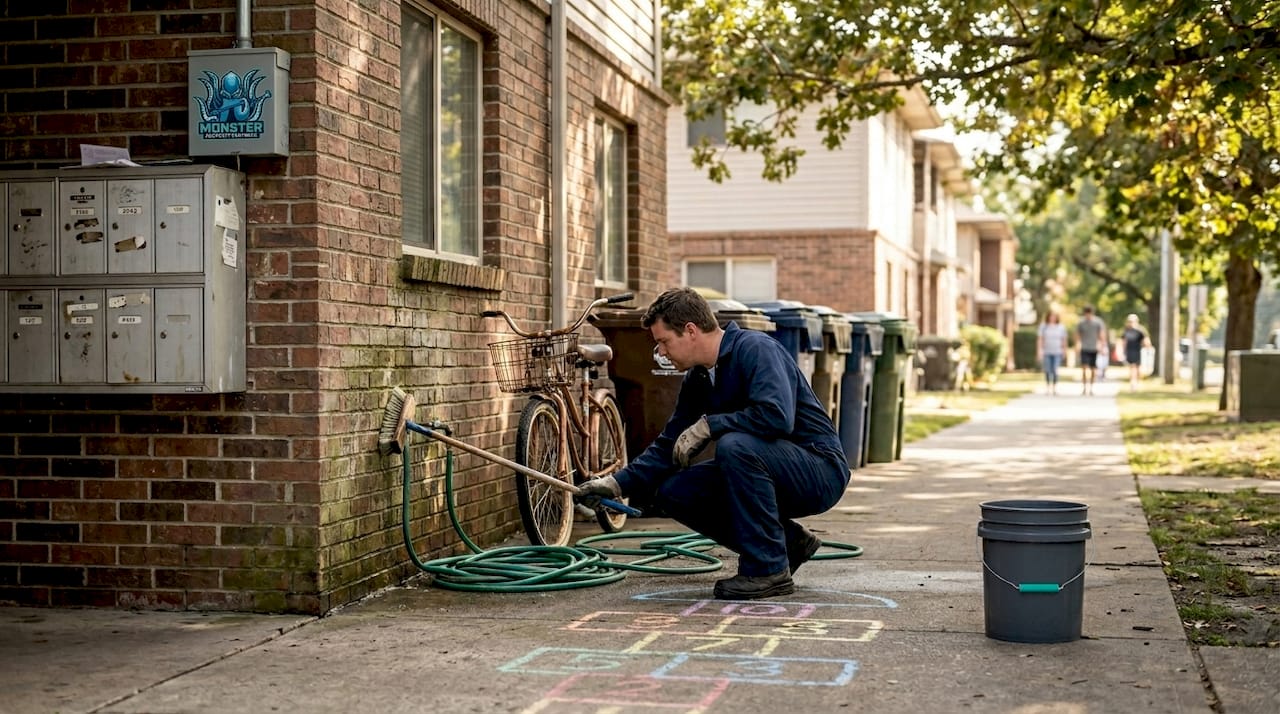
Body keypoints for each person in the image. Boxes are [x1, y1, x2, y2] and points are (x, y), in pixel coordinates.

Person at [578, 288, 850, 600]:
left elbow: (776, 417)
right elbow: (669, 444)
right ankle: (788, 545)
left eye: (664, 342)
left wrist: (712, 425)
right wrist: (615, 484)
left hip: (819, 470)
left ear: (690, 331)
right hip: (767, 471)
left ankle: (768, 570)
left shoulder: (756, 350)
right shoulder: (699, 377)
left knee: (735, 447)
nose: (661, 352)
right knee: (676, 492)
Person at [1075, 306, 1108, 395]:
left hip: (1094, 348)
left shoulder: (1098, 322)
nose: (1088, 316)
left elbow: (1101, 335)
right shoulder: (1081, 323)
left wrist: (1103, 346)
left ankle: (1091, 388)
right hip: (1084, 348)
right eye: (1086, 314)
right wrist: (1077, 346)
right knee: (1084, 368)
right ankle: (1085, 387)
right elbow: (1078, 335)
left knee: (1093, 369)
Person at [1036, 311, 1068, 394]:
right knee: (1047, 370)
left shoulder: (1061, 327)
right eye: (1051, 316)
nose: (1052, 318)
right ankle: (1047, 387)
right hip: (1046, 351)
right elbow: (1040, 339)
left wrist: (1064, 350)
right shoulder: (1043, 326)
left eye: (1054, 316)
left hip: (1057, 351)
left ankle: (1054, 388)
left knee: (1055, 369)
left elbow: (1064, 340)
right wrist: (1039, 350)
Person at [1121, 313, 1151, 391]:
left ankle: (1136, 382)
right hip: (1129, 351)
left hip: (1138, 351)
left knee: (1137, 368)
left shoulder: (1140, 330)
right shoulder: (1126, 330)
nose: (1131, 323)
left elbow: (1146, 341)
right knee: (1132, 367)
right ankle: (1133, 383)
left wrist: (1147, 348)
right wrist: (1122, 351)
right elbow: (1124, 341)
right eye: (1130, 321)